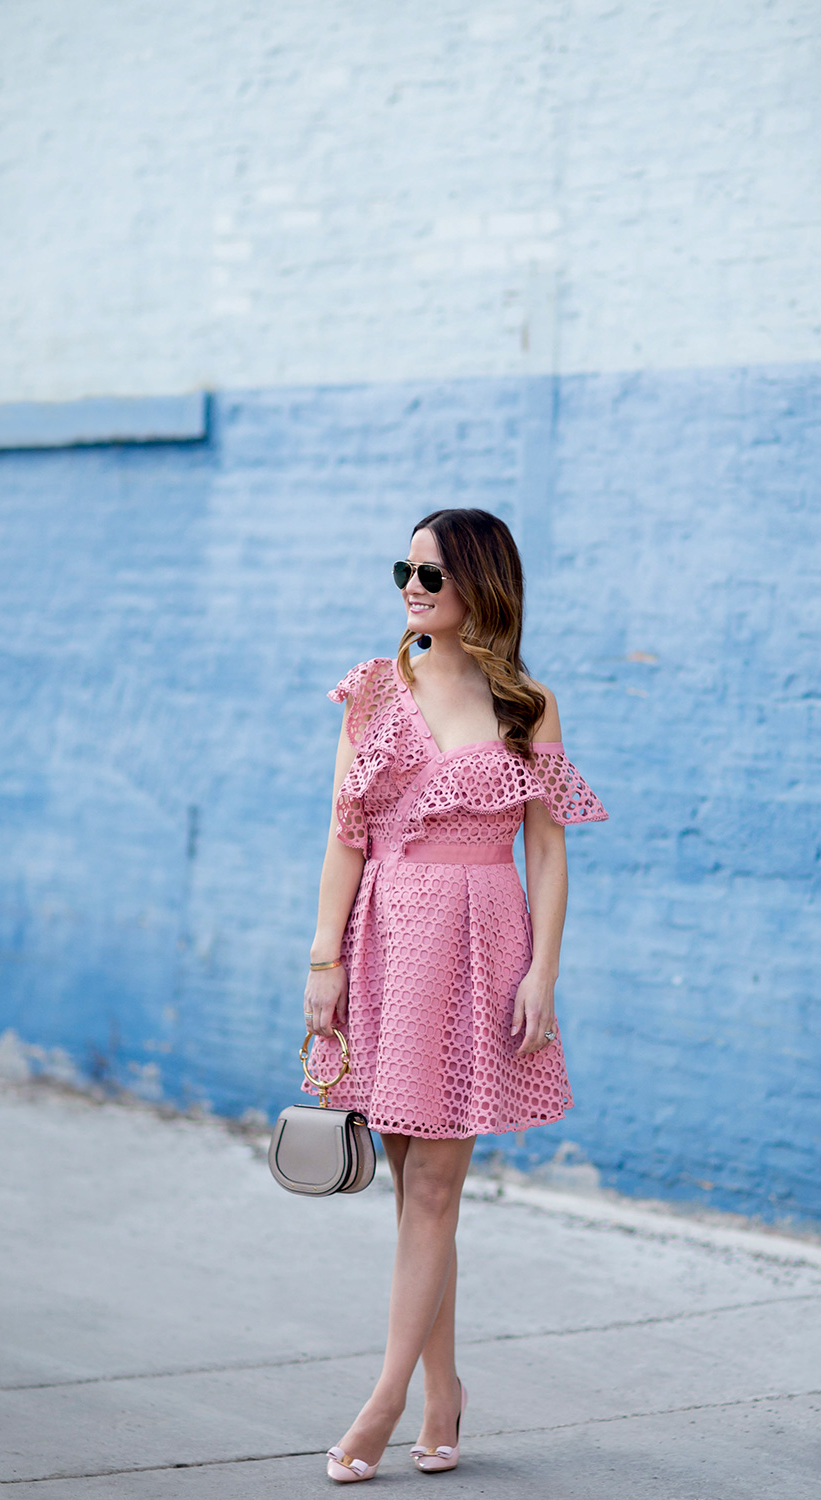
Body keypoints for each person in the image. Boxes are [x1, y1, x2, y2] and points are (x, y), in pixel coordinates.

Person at [303, 507, 607, 1482]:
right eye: (405, 570)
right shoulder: (374, 691)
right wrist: (323, 961)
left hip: (481, 947)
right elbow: (345, 832)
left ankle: (386, 1401)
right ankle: (444, 1393)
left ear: (481, 582)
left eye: (431, 574)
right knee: (411, 1187)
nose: (412, 587)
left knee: (435, 1185)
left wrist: (542, 969)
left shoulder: (527, 704)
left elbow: (548, 848)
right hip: (388, 939)